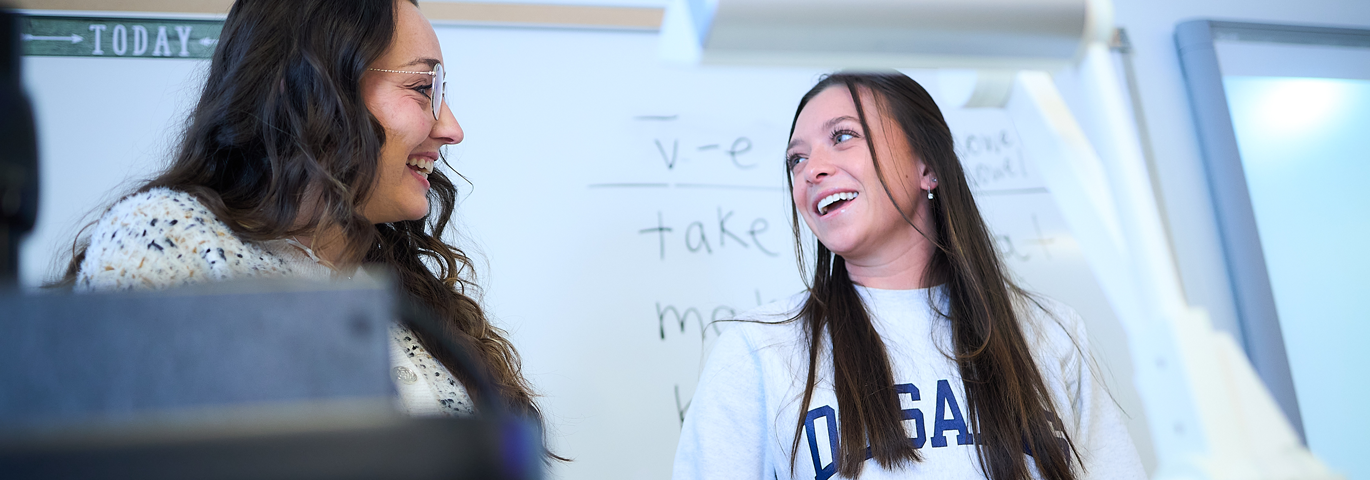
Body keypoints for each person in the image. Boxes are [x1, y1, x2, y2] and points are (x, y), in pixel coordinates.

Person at [52, 0, 553, 451]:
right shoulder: (167, 240)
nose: (450, 127)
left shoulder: (402, 297)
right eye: (423, 88)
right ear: (311, 87)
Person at [673, 72, 1145, 480]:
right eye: (796, 159)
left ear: (928, 167)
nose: (811, 170)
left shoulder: (1048, 332)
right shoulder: (758, 351)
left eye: (842, 136)